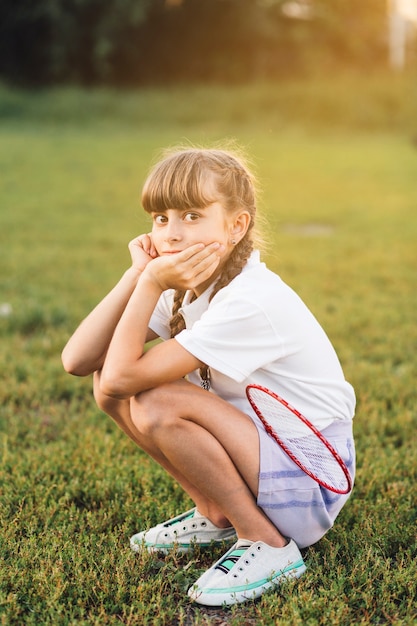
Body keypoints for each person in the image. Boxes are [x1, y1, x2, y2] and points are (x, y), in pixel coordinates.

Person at [62, 145, 355, 606]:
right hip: (266, 459)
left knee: (154, 399)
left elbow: (126, 378)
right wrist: (139, 276)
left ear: (236, 226)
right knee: (110, 386)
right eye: (161, 218)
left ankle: (268, 544)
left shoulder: (248, 299)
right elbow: (80, 361)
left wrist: (153, 282)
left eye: (192, 216)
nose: (172, 234)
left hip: (311, 483)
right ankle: (216, 512)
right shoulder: (187, 286)